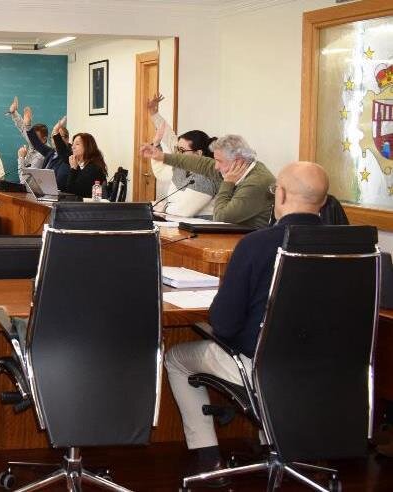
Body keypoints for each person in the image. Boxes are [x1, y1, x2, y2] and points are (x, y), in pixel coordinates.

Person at [164, 161, 329, 480]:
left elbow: (224, 325)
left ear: (279, 195)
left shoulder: (257, 244)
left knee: (176, 358)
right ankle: (276, 443)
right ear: (322, 202)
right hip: (327, 370)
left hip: (258, 367)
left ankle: (208, 456)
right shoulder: (355, 248)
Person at [140, 134, 275, 228]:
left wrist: (228, 183)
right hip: (234, 235)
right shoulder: (236, 167)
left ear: (238, 161)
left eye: (219, 161)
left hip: (248, 240)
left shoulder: (256, 182)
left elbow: (221, 218)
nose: (216, 166)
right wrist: (161, 156)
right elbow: (199, 163)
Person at [146, 94, 218, 217]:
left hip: (206, 228)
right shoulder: (182, 165)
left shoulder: (207, 175)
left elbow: (183, 211)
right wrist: (154, 113)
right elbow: (169, 135)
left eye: (181, 151)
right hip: (179, 221)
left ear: (198, 153)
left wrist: (164, 206)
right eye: (177, 149)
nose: (177, 154)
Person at [24, 109, 71, 191]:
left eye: (58, 136)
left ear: (67, 139)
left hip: (59, 194)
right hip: (43, 191)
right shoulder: (51, 152)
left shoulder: (69, 155)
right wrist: (28, 125)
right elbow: (36, 143)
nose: (54, 140)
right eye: (53, 137)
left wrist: (56, 131)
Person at [6, 96, 48, 174]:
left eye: (35, 138)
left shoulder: (41, 156)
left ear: (44, 139)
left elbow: (24, 180)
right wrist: (13, 112)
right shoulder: (34, 143)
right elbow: (22, 127)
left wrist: (21, 158)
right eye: (32, 137)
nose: (32, 140)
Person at [64, 133, 108, 198]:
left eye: (77, 144)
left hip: (87, 206)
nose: (73, 147)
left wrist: (73, 169)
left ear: (87, 147)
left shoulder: (94, 168)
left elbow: (72, 191)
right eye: (73, 144)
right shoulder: (82, 165)